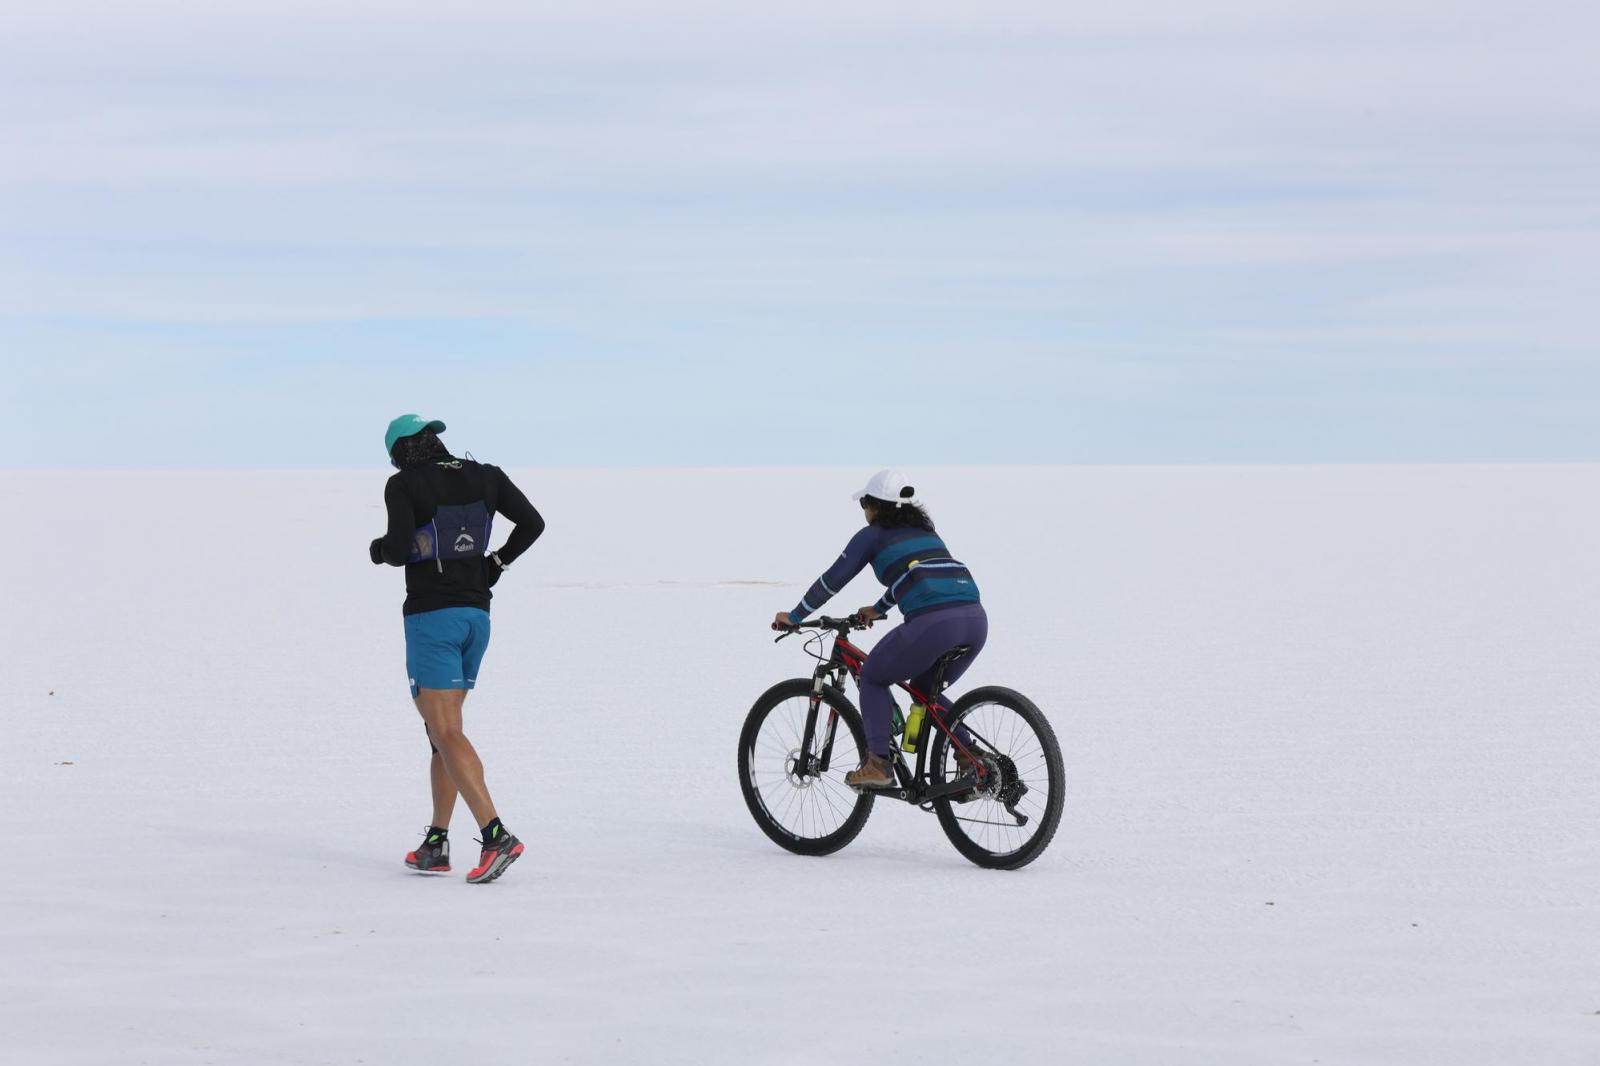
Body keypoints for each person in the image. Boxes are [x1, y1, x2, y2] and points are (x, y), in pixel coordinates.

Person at [370, 414, 545, 884]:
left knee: (444, 730)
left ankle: (495, 836)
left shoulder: (403, 485)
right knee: (443, 733)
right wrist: (498, 562)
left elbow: (401, 547)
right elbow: (533, 522)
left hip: (433, 619)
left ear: (402, 451)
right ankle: (436, 843)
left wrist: (378, 549)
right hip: (477, 619)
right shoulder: (486, 475)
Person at [771, 469, 987, 788]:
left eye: (864, 505)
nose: (865, 513)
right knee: (926, 691)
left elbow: (833, 580)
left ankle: (878, 766)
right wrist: (879, 608)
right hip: (975, 621)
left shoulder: (871, 536)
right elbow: (916, 575)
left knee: (872, 675)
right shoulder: (927, 533)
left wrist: (797, 615)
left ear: (874, 506)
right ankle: (973, 759)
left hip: (934, 624)